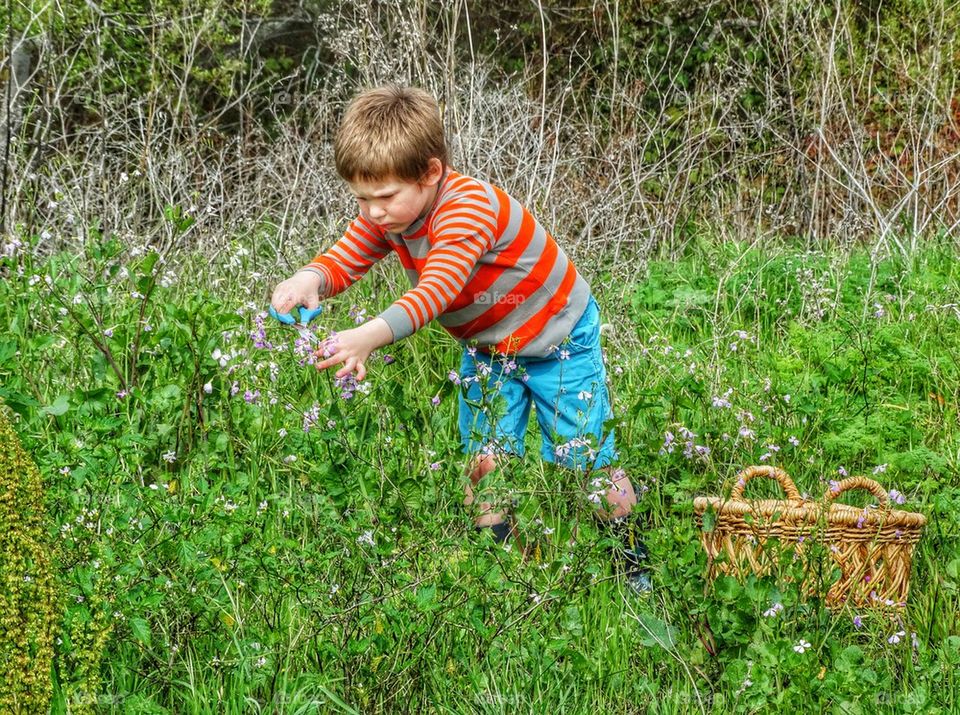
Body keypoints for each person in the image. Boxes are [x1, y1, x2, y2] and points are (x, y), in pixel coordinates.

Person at [270, 85, 650, 592]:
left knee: (584, 461)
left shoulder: (466, 209)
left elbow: (435, 293)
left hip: (557, 338)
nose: (373, 212)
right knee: (484, 464)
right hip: (491, 349)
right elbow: (349, 254)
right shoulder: (391, 215)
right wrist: (311, 279)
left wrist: (366, 337)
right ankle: (504, 584)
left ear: (430, 173)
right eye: (361, 197)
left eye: (383, 197)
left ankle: (636, 569)